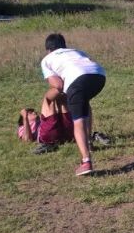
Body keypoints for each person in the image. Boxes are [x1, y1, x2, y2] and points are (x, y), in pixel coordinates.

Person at [41, 33, 106, 176]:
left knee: (78, 122)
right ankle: (88, 142)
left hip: (77, 80)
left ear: (48, 49)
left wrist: (48, 98)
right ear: (64, 45)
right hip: (99, 76)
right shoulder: (76, 51)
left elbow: (58, 85)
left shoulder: (47, 60)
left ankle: (86, 161)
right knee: (84, 102)